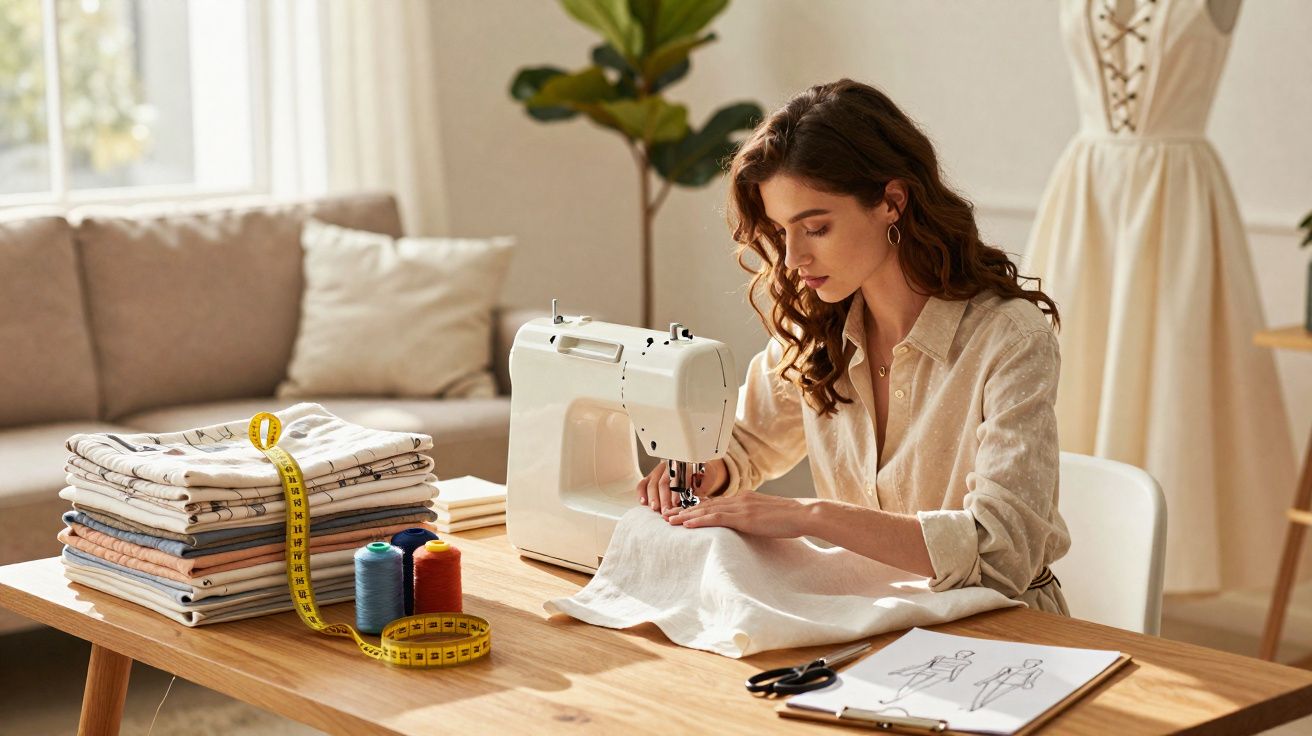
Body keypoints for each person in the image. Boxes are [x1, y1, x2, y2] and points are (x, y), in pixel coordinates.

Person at [636, 78, 1071, 615]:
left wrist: (810, 516)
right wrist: (711, 468)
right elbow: (747, 441)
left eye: (815, 227)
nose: (792, 257)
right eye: (781, 230)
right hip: (866, 616)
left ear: (892, 201)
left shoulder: (1009, 339)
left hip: (997, 629)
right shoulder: (817, 330)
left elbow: (1003, 552)